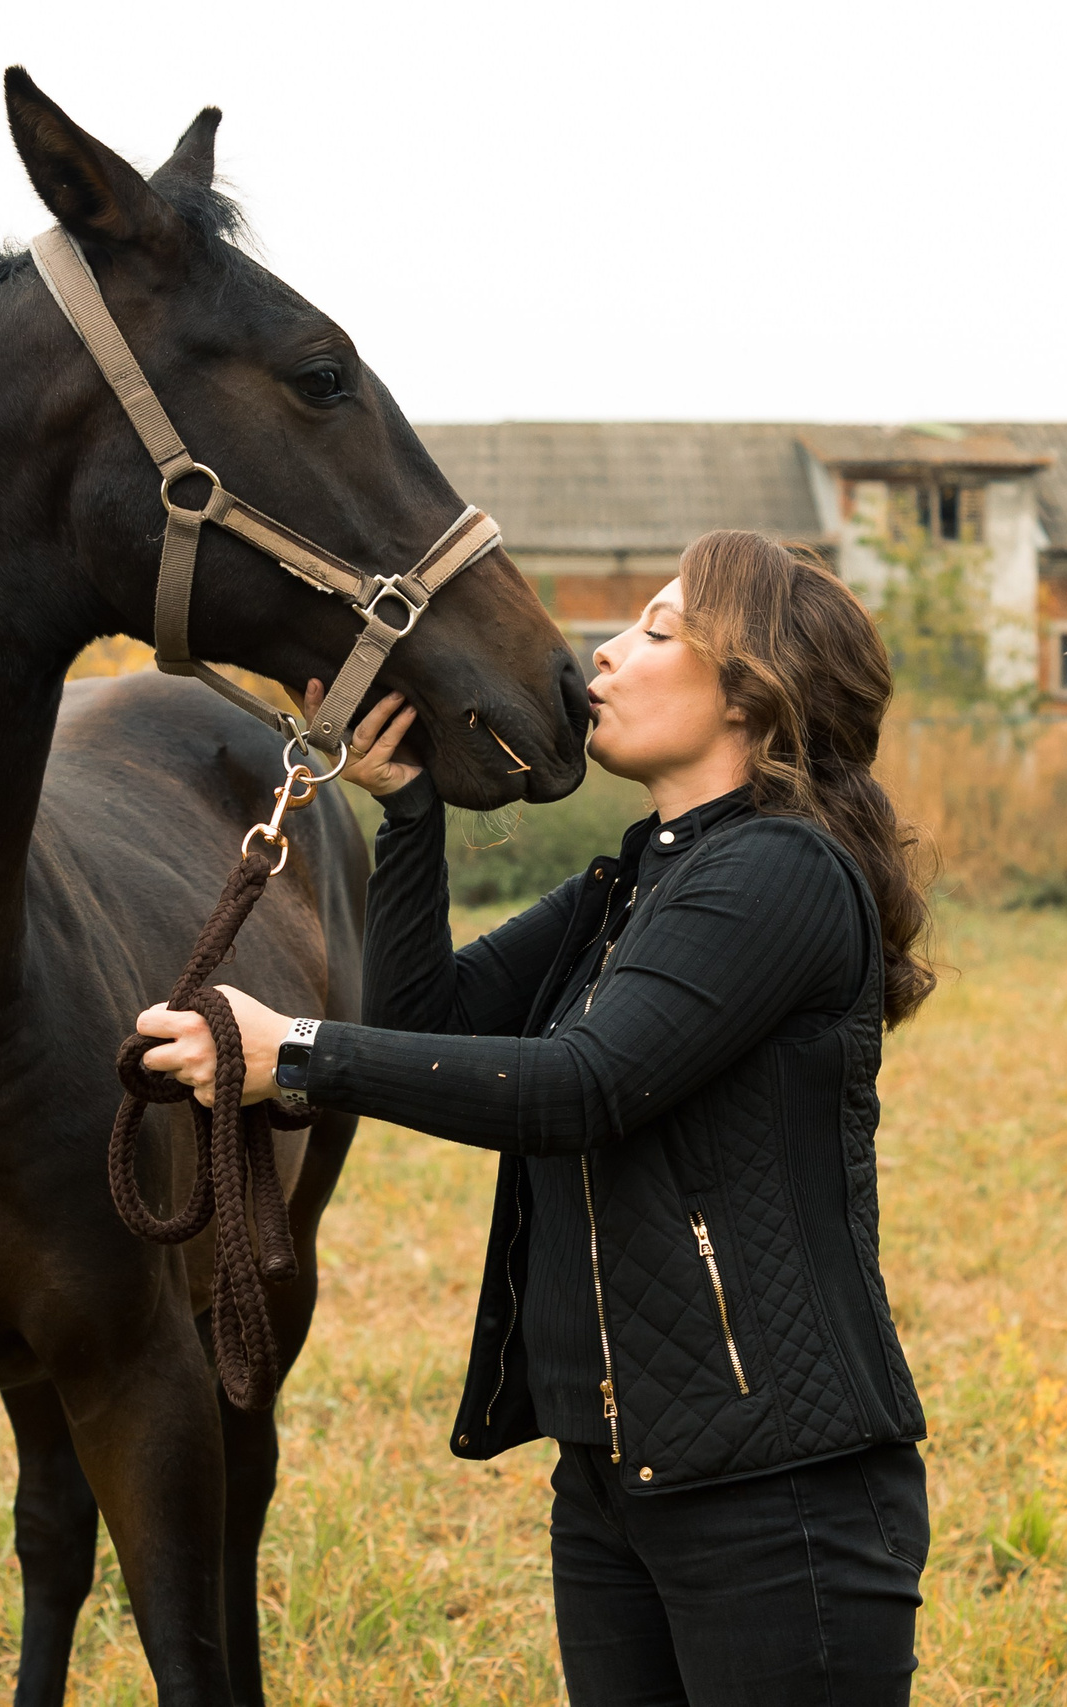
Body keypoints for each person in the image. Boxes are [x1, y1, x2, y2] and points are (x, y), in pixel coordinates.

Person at [138, 528, 938, 1705]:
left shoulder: (780, 874)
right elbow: (428, 1015)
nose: (605, 654)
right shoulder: (639, 880)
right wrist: (409, 811)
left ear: (751, 693)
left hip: (777, 1496)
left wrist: (290, 1054)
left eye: (658, 632)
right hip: (616, 1476)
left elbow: (581, 1087)